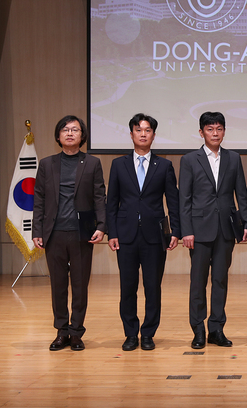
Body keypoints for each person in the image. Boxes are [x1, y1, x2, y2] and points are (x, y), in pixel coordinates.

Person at [106, 113, 181, 351]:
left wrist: (176, 231)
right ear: (131, 134)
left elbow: (173, 201)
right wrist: (112, 233)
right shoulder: (118, 164)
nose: (143, 134)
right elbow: (112, 202)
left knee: (152, 288)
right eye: (138, 130)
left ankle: (148, 334)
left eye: (147, 130)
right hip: (126, 235)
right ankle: (130, 334)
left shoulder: (165, 166)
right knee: (127, 287)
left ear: (153, 135)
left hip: (154, 237)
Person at [32, 115, 106, 351]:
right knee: (58, 285)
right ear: (58, 136)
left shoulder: (92, 163)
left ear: (82, 136)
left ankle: (76, 332)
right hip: (54, 233)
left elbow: (99, 197)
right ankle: (61, 331)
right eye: (65, 129)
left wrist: (101, 226)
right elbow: (39, 199)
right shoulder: (47, 164)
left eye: (75, 129)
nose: (70, 133)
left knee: (80, 285)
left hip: (82, 233)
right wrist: (37, 230)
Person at [179, 111, 247, 349]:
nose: (215, 133)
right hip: (199, 230)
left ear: (224, 131)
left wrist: (246, 223)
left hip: (226, 229)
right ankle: (198, 330)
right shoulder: (190, 160)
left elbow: (241, 193)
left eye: (219, 129)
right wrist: (186, 231)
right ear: (201, 132)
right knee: (198, 281)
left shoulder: (233, 158)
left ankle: (216, 329)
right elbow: (184, 198)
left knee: (220, 280)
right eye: (210, 129)